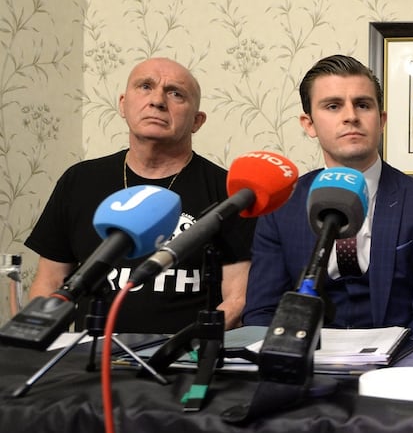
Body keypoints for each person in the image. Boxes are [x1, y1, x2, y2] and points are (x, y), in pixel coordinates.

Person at [26, 57, 254, 333]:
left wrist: (183, 349)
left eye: (175, 93)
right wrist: (46, 345)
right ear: (123, 104)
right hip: (88, 357)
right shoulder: (79, 180)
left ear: (197, 121)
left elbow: (237, 298)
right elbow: (48, 282)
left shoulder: (228, 191)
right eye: (145, 86)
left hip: (182, 361)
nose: (157, 100)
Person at [241, 54, 413, 345]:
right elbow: (261, 312)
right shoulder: (281, 205)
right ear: (309, 124)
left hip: (395, 371)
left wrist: (390, 370)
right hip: (303, 365)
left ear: (381, 121)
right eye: (333, 106)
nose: (351, 116)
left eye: (363, 105)